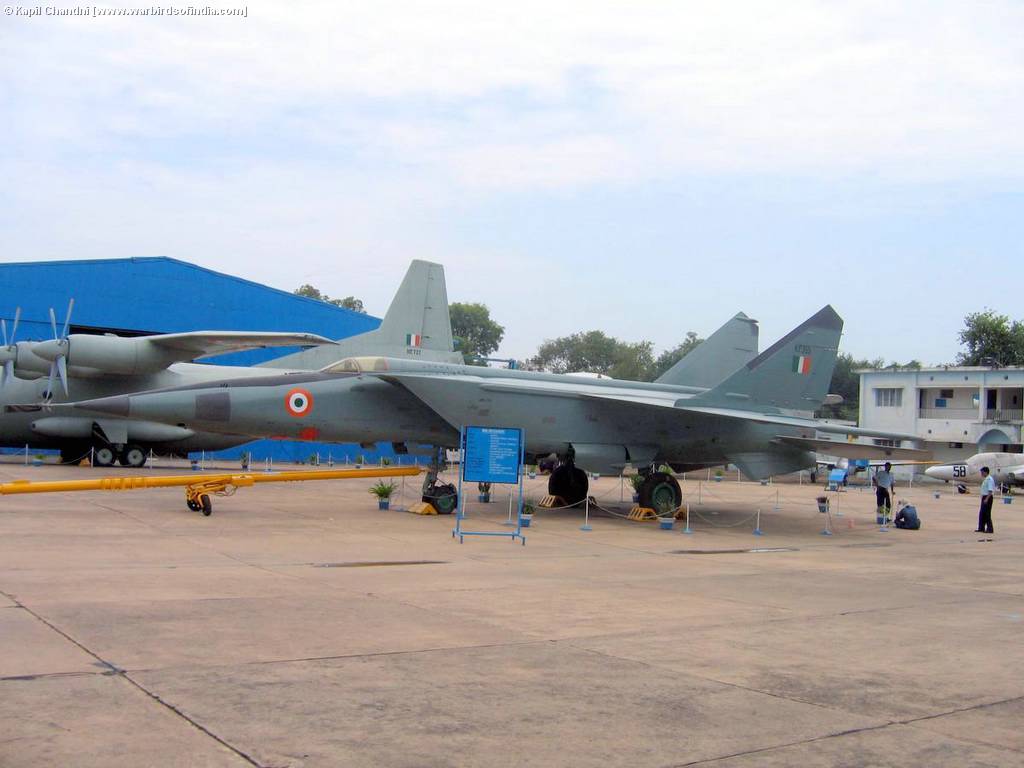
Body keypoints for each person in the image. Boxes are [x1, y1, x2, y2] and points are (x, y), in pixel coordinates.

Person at [976, 466, 996, 534]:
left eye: (982, 472)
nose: (981, 474)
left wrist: (987, 499)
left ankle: (990, 529)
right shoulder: (986, 479)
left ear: (985, 472)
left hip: (988, 497)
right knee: (982, 513)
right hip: (984, 497)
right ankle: (981, 528)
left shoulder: (989, 479)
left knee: (987, 514)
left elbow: (990, 490)